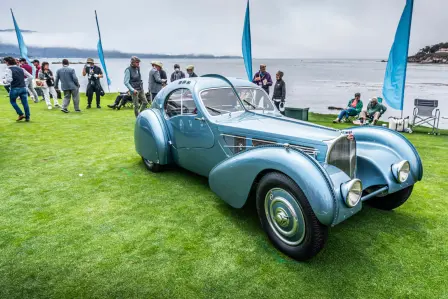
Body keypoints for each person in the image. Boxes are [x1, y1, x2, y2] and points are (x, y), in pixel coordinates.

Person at [2, 56, 33, 121]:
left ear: (7, 62)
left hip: (15, 88)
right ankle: (27, 117)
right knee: (25, 103)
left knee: (12, 102)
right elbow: (30, 76)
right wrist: (25, 81)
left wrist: (4, 81)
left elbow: (9, 80)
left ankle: (20, 114)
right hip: (23, 87)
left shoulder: (8, 69)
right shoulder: (21, 69)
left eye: (5, 62)